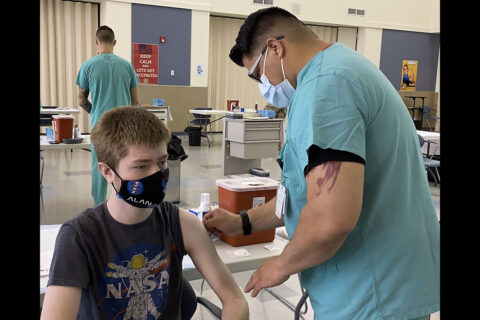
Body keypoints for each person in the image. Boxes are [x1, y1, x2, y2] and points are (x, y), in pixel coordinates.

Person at [203, 7, 439, 320]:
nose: (264, 85)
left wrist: (282, 263)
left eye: (259, 74)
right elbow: (304, 196)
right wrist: (242, 222)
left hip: (371, 294)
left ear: (275, 48)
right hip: (388, 285)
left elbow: (331, 218)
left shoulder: (326, 86)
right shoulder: (343, 68)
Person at [41, 107, 249, 320]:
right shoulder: (79, 237)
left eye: (162, 162)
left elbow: (235, 300)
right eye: (141, 166)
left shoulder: (182, 223)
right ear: (107, 172)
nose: (157, 174)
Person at [76, 25, 140, 205]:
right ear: (114, 42)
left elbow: (81, 100)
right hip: (124, 126)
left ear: (97, 42)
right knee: (125, 163)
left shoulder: (88, 65)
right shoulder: (127, 66)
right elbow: (135, 101)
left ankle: (99, 205)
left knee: (100, 165)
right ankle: (124, 201)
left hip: (100, 125)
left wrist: (95, 111)